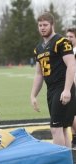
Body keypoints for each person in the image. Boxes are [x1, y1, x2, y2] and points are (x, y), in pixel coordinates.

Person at [30, 12, 76, 147]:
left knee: (55, 128)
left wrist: (67, 89)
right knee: (62, 128)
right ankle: (66, 161)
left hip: (62, 87)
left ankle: (60, 162)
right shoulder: (38, 48)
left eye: (45, 25)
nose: (42, 28)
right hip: (51, 90)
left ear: (52, 25)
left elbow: (71, 65)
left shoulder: (61, 42)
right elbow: (39, 74)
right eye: (40, 25)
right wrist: (33, 95)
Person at [66, 28, 76, 147]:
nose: (68, 39)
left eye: (71, 37)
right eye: (67, 36)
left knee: (71, 114)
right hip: (70, 86)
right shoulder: (68, 51)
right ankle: (74, 138)